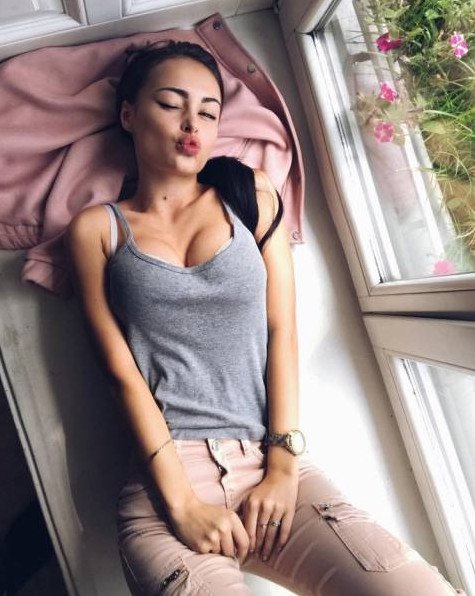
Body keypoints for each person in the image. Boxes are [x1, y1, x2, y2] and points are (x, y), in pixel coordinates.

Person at [64, 40, 465, 595]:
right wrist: (181, 502)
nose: (191, 123)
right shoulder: (96, 229)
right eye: (171, 104)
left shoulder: (248, 193)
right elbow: (120, 372)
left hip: (271, 461)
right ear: (129, 115)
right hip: (165, 487)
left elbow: (283, 331)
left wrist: (282, 466)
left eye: (208, 112)